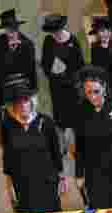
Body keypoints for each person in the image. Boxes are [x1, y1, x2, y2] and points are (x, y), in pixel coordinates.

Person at [0, 79, 66, 213]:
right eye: (18, 102)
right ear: (12, 106)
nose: (23, 105)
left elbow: (56, 153)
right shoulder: (7, 125)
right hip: (22, 185)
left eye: (25, 100)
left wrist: (61, 179)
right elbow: (8, 156)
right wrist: (9, 185)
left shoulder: (46, 122)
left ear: (31, 102)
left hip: (47, 183)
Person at [74, 65, 112, 209]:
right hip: (92, 171)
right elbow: (80, 145)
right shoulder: (80, 110)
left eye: (96, 91)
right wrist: (79, 174)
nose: (93, 96)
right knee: (97, 210)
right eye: (88, 92)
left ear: (104, 87)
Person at [40, 14, 84, 153]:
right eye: (52, 32)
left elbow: (80, 65)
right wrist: (52, 72)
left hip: (71, 87)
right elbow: (44, 64)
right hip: (56, 86)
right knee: (59, 119)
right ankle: (63, 145)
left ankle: (78, 145)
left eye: (57, 31)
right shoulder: (48, 41)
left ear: (62, 27)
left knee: (75, 118)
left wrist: (69, 75)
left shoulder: (73, 41)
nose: (55, 35)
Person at [0, 9, 36, 91]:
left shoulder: (28, 44)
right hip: (6, 84)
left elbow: (31, 69)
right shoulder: (0, 40)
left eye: (13, 29)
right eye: (7, 29)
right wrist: (9, 51)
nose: (10, 33)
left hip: (23, 84)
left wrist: (32, 89)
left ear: (18, 28)